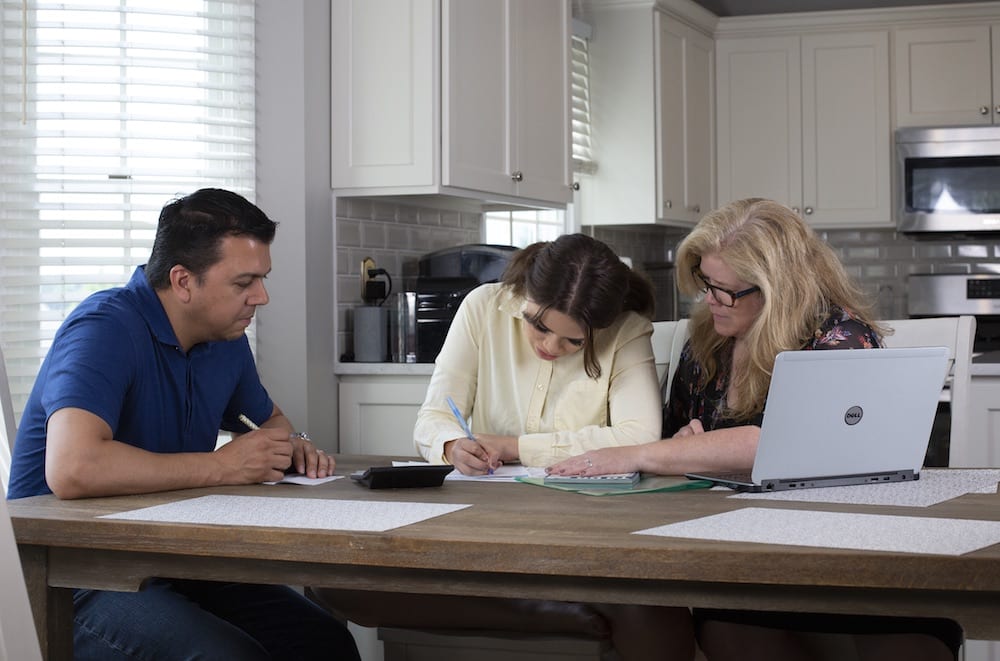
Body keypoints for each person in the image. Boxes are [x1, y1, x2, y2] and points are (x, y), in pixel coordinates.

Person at [546, 198, 963, 661]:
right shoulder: (708, 339)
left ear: (777, 289)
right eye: (706, 283)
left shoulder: (839, 336)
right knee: (726, 625)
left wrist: (647, 453)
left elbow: (779, 440)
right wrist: (685, 446)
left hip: (853, 551)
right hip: (746, 553)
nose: (709, 300)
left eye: (724, 290)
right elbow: (682, 439)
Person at [7, 188, 360, 660]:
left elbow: (270, 421)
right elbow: (73, 468)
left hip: (172, 560)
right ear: (183, 281)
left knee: (324, 643)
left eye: (263, 279)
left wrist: (291, 444)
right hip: (70, 576)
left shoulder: (224, 337)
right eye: (244, 283)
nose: (262, 297)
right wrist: (223, 466)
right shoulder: (103, 327)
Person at [315, 233, 696, 661]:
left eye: (574, 342)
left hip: (592, 523)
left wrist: (517, 447)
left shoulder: (625, 329)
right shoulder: (483, 307)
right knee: (336, 579)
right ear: (525, 296)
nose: (550, 347)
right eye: (539, 325)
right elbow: (433, 419)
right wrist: (453, 443)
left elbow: (639, 438)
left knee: (650, 608)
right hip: (486, 521)